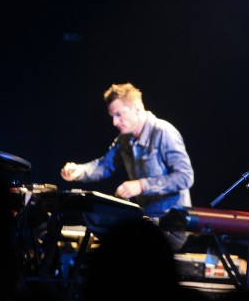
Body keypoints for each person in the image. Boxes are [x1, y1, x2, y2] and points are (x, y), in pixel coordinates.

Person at [60, 82, 195, 252]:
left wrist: (141, 185)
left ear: (137, 109)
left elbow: (185, 177)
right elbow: (104, 166)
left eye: (119, 114)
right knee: (94, 220)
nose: (114, 122)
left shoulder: (164, 132)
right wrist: (79, 171)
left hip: (171, 226)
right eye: (112, 116)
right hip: (147, 220)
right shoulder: (124, 139)